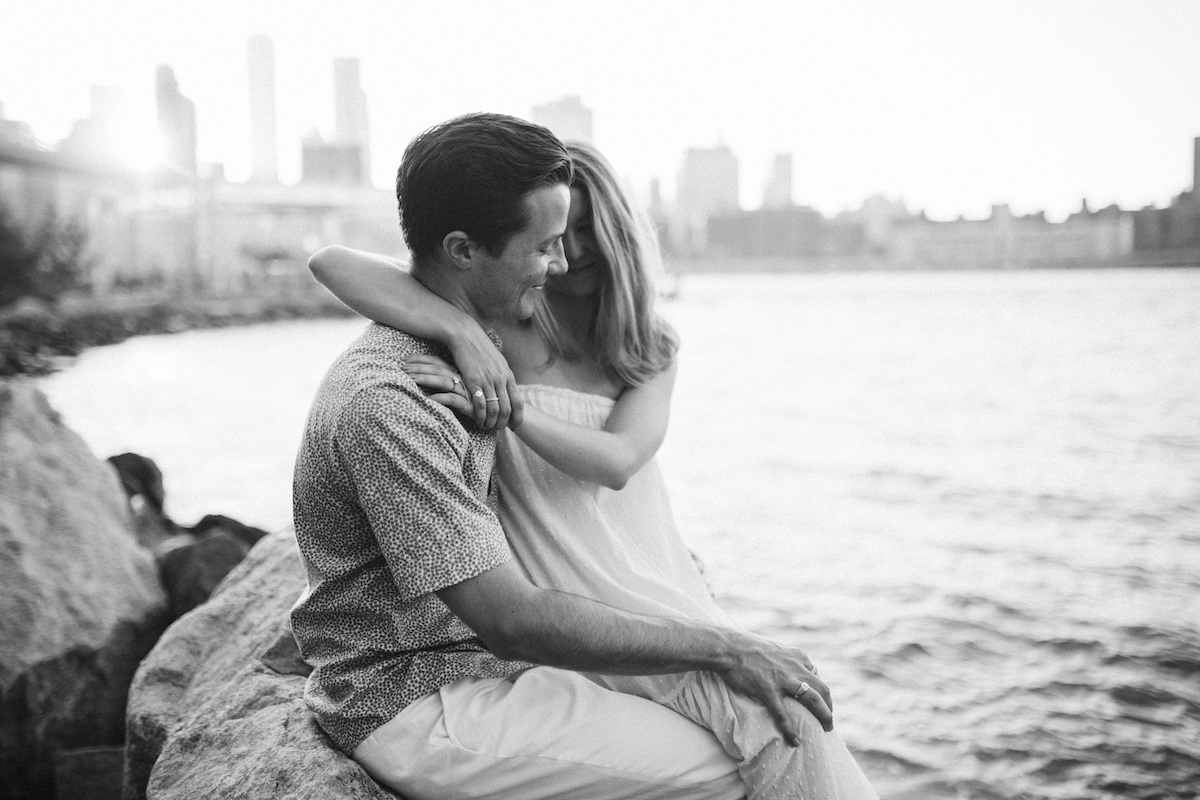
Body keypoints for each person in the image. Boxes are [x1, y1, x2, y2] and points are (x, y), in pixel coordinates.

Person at [292, 112, 842, 800]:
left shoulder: (478, 351)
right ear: (464, 251)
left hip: (485, 671)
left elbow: (614, 462)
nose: (560, 264)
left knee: (772, 721)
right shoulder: (396, 400)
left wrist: (460, 329)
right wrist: (726, 646)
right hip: (414, 701)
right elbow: (511, 617)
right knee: (754, 759)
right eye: (547, 244)